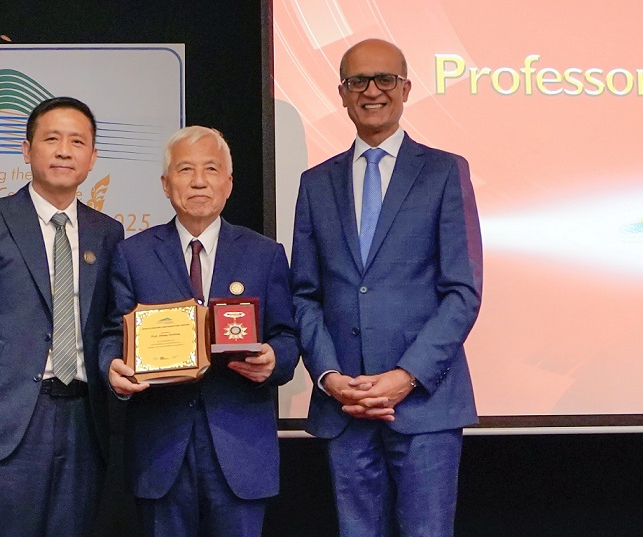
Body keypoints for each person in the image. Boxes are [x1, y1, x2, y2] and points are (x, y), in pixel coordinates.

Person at [291, 39, 483, 536]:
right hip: (345, 404)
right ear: (341, 92)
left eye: (385, 79)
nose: (371, 90)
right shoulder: (315, 183)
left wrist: (406, 376)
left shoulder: (445, 171)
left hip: (424, 404)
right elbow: (304, 295)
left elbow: (462, 292)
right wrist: (329, 377)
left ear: (406, 89)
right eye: (358, 81)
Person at [0, 96, 124, 537]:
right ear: (26, 149)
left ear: (92, 158)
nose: (64, 151)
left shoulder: (108, 232)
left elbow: (112, 322)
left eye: (77, 142)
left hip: (83, 418)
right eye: (51, 139)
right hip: (10, 416)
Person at [100, 126, 299, 537]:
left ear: (229, 183)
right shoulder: (133, 254)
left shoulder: (264, 254)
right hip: (160, 449)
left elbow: (287, 335)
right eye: (185, 169)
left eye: (211, 169)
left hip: (241, 448)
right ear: (165, 183)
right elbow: (111, 334)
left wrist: (275, 359)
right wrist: (112, 367)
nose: (198, 181)